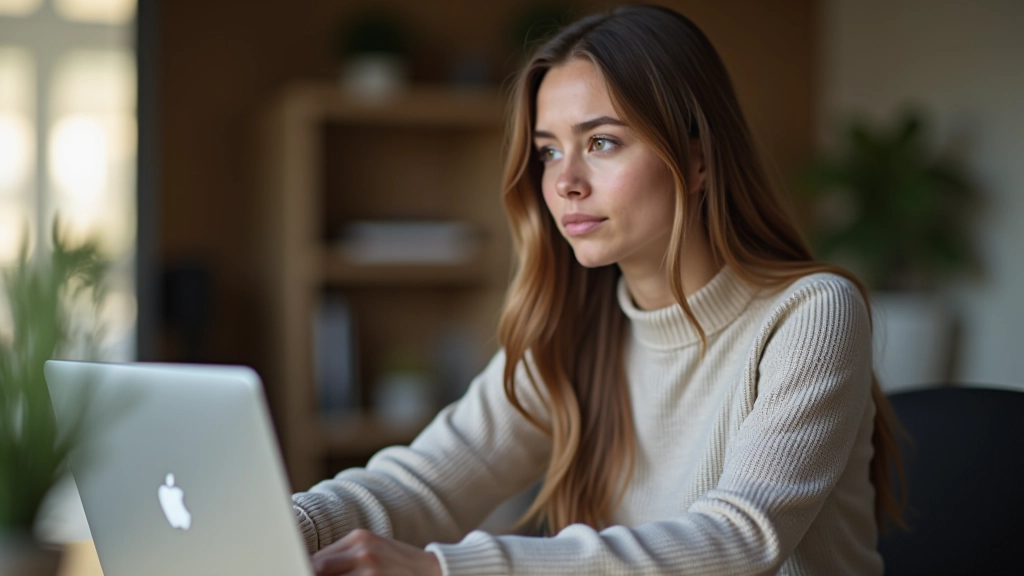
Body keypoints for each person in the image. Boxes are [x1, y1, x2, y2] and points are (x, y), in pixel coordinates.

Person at [290, 5, 906, 575]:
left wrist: (442, 569)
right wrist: (290, 526)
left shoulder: (810, 314)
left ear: (698, 161)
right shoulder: (573, 329)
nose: (565, 183)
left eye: (602, 142)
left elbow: (740, 540)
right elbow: (424, 484)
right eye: (549, 152)